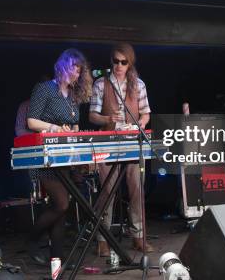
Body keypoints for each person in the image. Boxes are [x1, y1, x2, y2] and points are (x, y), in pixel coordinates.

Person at [24, 49, 92, 265]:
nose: (76, 73)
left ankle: (57, 258)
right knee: (62, 204)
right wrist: (54, 128)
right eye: (74, 67)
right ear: (62, 66)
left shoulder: (73, 97)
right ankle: (32, 240)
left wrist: (73, 132)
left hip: (64, 159)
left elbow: (75, 126)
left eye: (79, 69)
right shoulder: (44, 89)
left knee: (61, 209)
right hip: (44, 159)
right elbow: (32, 122)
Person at [89, 43, 154, 255]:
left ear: (130, 63)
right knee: (107, 191)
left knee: (137, 189)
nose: (119, 65)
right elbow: (92, 116)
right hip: (108, 143)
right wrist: (107, 118)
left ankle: (138, 236)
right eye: (115, 61)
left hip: (132, 142)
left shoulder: (139, 85)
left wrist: (141, 124)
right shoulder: (101, 84)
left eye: (123, 62)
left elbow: (146, 113)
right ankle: (103, 238)